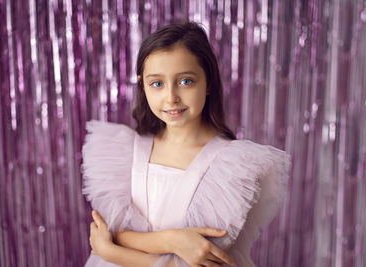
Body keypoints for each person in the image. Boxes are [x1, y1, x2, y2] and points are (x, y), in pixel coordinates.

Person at [82, 22, 291, 267]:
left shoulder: (231, 167)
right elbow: (110, 231)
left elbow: (201, 260)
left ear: (209, 82)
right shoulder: (125, 152)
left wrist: (112, 252)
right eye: (157, 84)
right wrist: (173, 241)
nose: (171, 98)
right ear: (142, 85)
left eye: (185, 82)